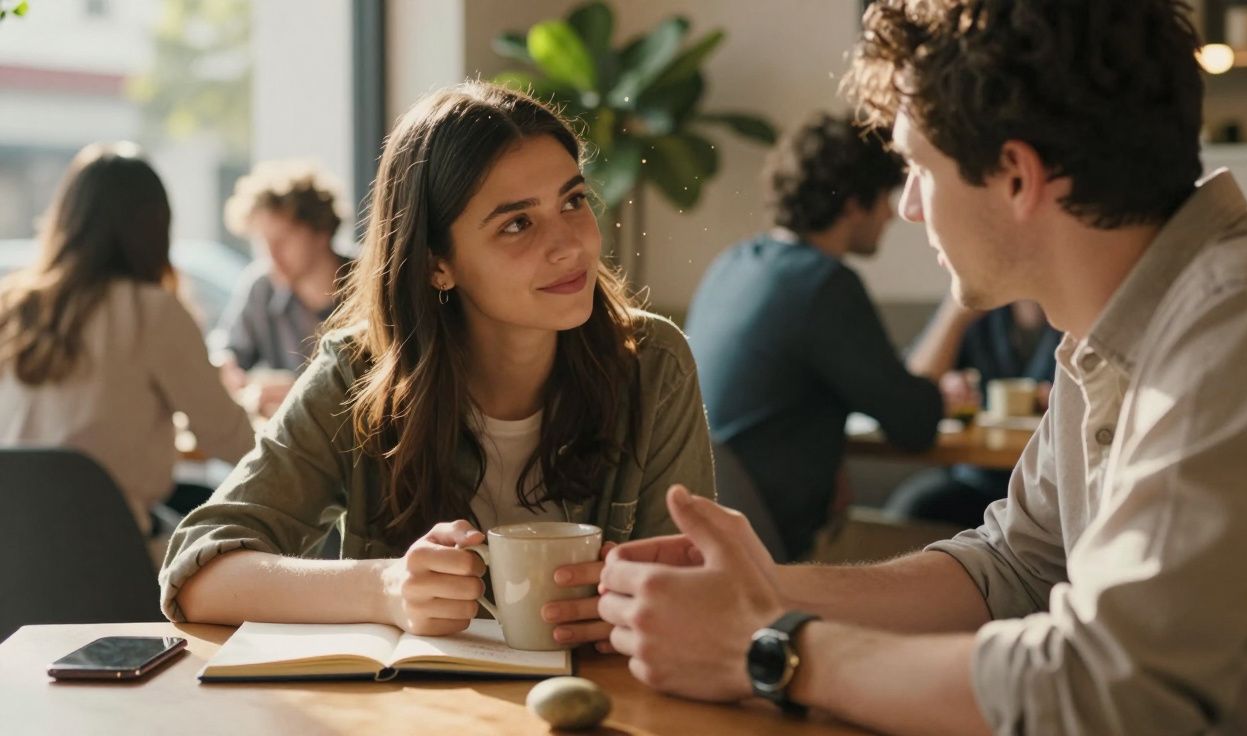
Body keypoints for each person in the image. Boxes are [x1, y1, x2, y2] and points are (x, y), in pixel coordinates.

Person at [597, 2, 1247, 733]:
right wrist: (754, 589)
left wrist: (775, 650)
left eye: (916, 165)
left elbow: (1112, 691)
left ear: (1015, 175)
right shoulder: (1111, 324)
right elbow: (1015, 566)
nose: (908, 205)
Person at [161, 82, 715, 652]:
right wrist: (384, 587)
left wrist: (641, 610)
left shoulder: (650, 363)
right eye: (517, 224)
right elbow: (199, 573)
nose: (571, 245)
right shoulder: (359, 375)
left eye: (573, 201)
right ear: (437, 265)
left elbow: (699, 585)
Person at [684, 111, 942, 560]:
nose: (891, 214)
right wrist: (958, 313)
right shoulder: (823, 284)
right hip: (768, 546)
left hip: (708, 525)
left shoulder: (736, 263)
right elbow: (915, 423)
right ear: (852, 204)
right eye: (885, 196)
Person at [0, 143, 255, 566]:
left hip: (12, 560)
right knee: (235, 557)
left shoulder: (13, 304)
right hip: (107, 558)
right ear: (154, 228)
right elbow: (231, 440)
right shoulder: (151, 311)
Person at [887, 299, 1061, 527]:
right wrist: (955, 312)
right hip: (980, 478)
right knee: (914, 506)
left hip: (1053, 482)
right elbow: (909, 403)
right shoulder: (983, 305)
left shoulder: (1074, 307)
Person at [211, 160, 351, 416]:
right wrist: (224, 365)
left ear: (321, 231)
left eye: (283, 239)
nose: (272, 254)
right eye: (264, 242)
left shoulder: (372, 285)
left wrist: (304, 394)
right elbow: (228, 349)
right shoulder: (262, 288)